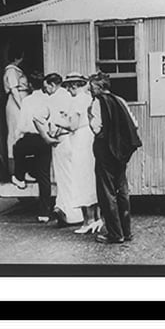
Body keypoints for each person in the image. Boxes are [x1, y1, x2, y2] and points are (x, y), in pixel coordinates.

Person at [88, 72, 141, 244]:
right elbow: (135, 124)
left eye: (92, 87)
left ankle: (114, 234)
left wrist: (90, 118)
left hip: (105, 150)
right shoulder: (120, 100)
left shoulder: (97, 102)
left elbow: (96, 128)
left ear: (100, 88)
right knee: (122, 191)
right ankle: (126, 232)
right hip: (121, 152)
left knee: (106, 192)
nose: (90, 90)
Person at [60, 72, 101, 234]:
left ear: (75, 85)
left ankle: (88, 221)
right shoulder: (89, 98)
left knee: (81, 178)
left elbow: (73, 126)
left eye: (71, 86)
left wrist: (57, 122)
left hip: (80, 140)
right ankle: (97, 218)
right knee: (90, 177)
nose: (69, 89)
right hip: (89, 137)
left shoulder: (77, 100)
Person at [11, 72, 55, 223]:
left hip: (31, 137)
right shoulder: (48, 99)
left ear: (30, 85)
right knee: (44, 177)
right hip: (45, 138)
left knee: (17, 149)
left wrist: (18, 135)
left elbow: (22, 123)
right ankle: (44, 213)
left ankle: (20, 176)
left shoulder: (27, 101)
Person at [41, 73, 83, 226]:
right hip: (73, 139)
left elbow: (37, 117)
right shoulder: (72, 98)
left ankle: (68, 212)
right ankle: (72, 211)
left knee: (63, 176)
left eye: (47, 88)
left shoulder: (51, 100)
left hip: (61, 139)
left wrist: (47, 136)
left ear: (53, 85)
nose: (46, 91)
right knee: (73, 175)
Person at [3, 46, 30, 176]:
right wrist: (22, 106)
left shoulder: (17, 70)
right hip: (16, 103)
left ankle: (24, 168)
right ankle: (16, 170)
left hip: (21, 100)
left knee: (22, 132)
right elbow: (14, 89)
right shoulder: (11, 71)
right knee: (16, 133)